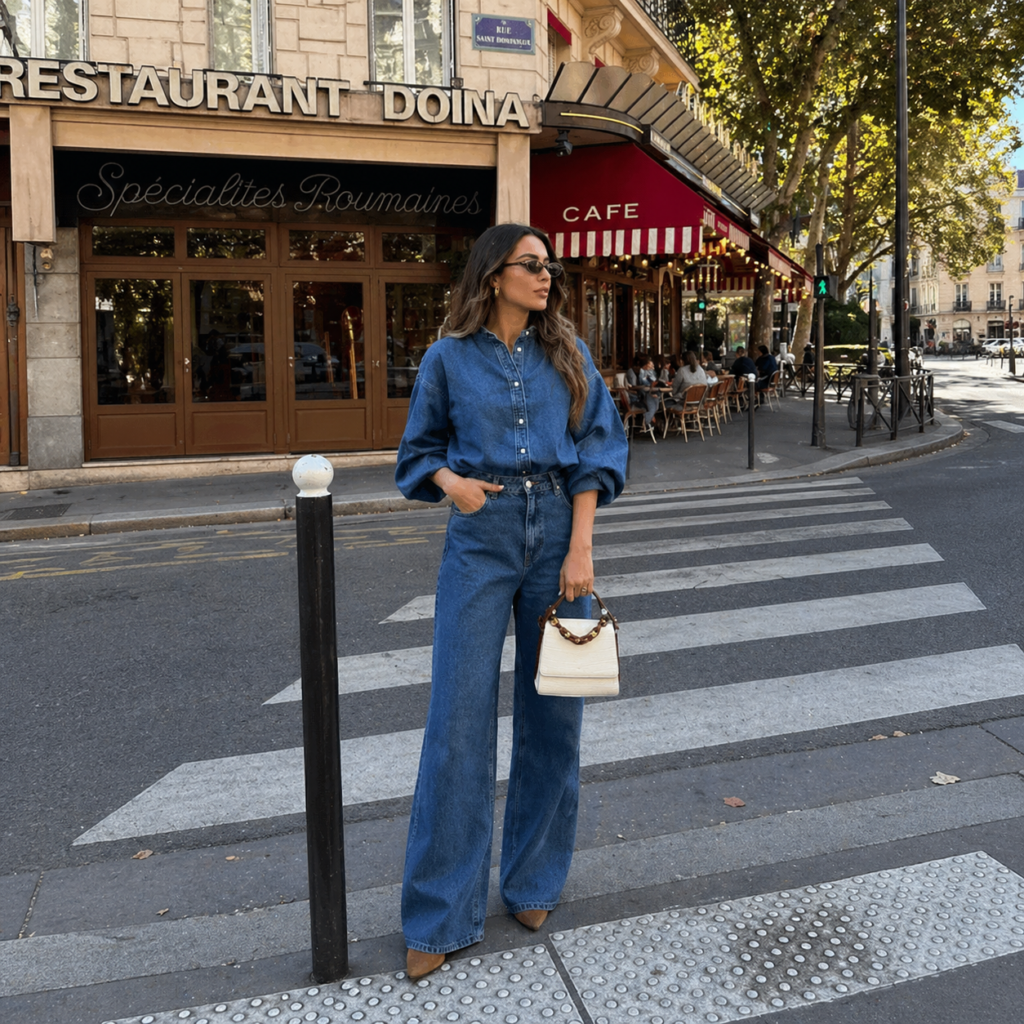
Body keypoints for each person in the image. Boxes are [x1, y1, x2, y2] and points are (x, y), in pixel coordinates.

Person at [395, 223, 628, 980]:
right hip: (481, 535)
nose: (546, 275)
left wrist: (580, 549)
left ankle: (534, 882)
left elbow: (598, 449)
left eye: (549, 265)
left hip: (559, 532)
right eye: (531, 264)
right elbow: (417, 453)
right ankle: (440, 913)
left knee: (555, 717)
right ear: (493, 274)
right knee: (457, 722)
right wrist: (451, 484)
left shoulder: (569, 353)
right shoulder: (447, 358)